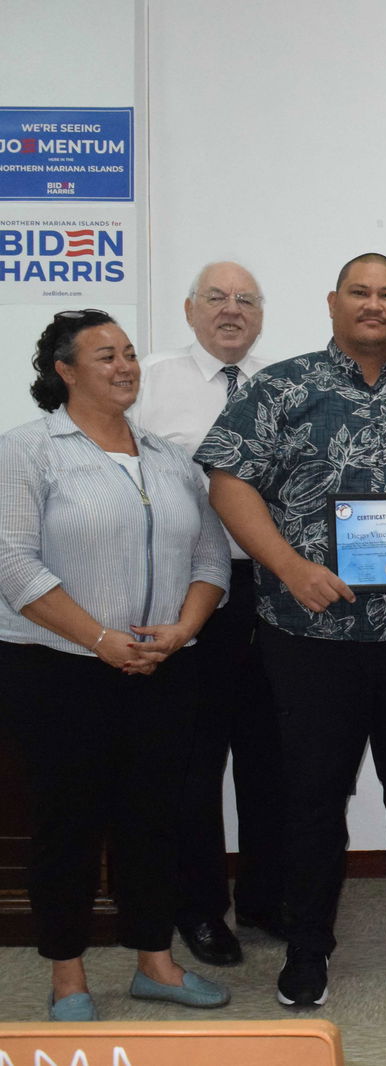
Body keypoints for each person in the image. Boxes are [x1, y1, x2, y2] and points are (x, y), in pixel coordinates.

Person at [195, 253, 386, 1009]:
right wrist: (291, 567)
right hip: (310, 634)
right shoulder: (282, 388)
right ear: (334, 303)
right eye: (360, 293)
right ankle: (308, 946)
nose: (374, 305)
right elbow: (228, 482)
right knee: (311, 796)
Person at [0, 310, 232, 1020]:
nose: (125, 366)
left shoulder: (167, 457)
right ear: (64, 371)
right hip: (60, 667)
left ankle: (154, 963)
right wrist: (102, 639)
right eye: (105, 356)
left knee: (154, 819)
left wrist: (183, 629)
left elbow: (210, 556)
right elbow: (13, 564)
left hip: (165, 667)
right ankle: (68, 976)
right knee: (66, 823)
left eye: (130, 353)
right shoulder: (29, 450)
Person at [131, 260, 285, 966]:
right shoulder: (149, 381)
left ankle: (265, 898)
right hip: (190, 592)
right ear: (190, 310)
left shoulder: (283, 386)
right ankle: (198, 908)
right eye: (217, 299)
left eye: (245, 300)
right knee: (195, 760)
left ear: (261, 314)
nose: (231, 310)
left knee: (272, 753)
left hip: (276, 590)